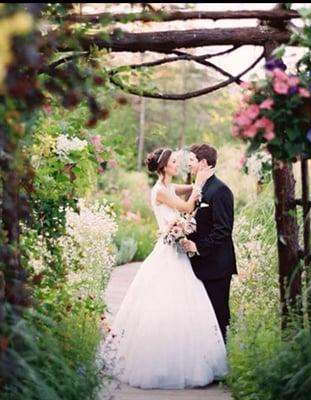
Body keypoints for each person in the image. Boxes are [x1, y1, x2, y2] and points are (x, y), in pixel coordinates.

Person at [98, 147, 228, 389]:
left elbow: (188, 191)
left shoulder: (169, 187)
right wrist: (198, 184)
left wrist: (202, 177)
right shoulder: (159, 191)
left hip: (177, 250)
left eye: (180, 161)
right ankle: (159, 361)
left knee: (184, 301)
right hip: (168, 253)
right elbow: (188, 208)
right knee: (164, 301)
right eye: (174, 161)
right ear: (164, 166)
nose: (178, 164)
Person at [181, 143, 237, 343]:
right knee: (201, 318)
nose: (189, 164)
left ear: (203, 163)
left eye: (192, 161)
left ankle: (220, 368)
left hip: (216, 267)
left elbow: (223, 230)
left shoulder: (220, 190)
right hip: (198, 266)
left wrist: (198, 247)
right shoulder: (198, 189)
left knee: (217, 316)